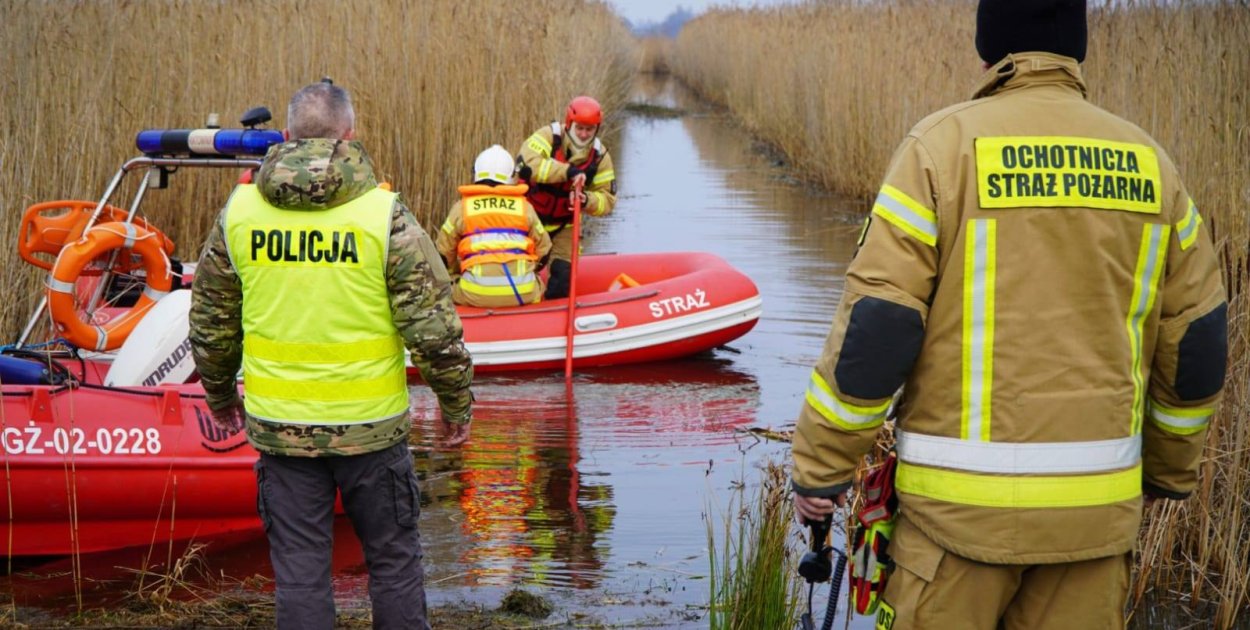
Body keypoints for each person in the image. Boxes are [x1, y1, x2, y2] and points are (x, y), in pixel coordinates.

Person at [790, 1, 1228, 628]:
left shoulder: (939, 150)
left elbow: (880, 328)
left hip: (954, 530)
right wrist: (1166, 471)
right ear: (1079, 43)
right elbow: (1201, 342)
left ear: (987, 44)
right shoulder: (1151, 165)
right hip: (1095, 527)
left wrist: (821, 469)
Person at [188, 81, 474, 630]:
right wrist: (456, 405)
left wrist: (220, 395)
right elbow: (433, 327)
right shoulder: (382, 214)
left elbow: (210, 320)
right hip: (372, 430)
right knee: (393, 561)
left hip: (281, 428)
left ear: (289, 134)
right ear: (349, 134)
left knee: (299, 572)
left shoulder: (242, 212)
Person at [516, 95, 617, 299]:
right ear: (569, 123)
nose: (583, 134)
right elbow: (526, 165)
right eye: (579, 128)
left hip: (565, 225)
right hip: (529, 219)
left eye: (589, 130)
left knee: (562, 278)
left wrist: (586, 200)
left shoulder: (600, 157)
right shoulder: (548, 137)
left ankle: (551, 317)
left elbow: (607, 201)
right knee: (519, 273)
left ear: (596, 129)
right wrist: (567, 172)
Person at [435, 145, 552, 307]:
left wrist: (456, 271)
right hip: (522, 293)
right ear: (511, 176)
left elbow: (443, 253)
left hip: (474, 293)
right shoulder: (524, 207)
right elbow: (545, 249)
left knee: (445, 287)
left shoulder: (462, 208)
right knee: (539, 286)